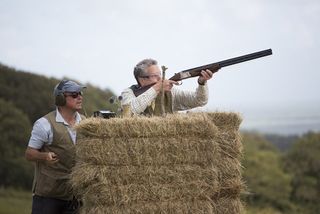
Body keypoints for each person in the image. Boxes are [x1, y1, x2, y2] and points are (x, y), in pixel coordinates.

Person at [25, 80, 86, 214]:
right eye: (74, 94)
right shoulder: (44, 124)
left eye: (80, 93)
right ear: (61, 98)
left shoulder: (86, 123)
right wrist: (44, 156)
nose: (80, 97)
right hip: (48, 197)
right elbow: (29, 153)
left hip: (75, 197)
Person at [121, 58, 217, 115]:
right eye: (155, 76)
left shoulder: (171, 92)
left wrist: (202, 82)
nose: (161, 78)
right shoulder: (128, 93)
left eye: (160, 74)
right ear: (142, 79)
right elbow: (129, 112)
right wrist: (157, 88)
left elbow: (200, 100)